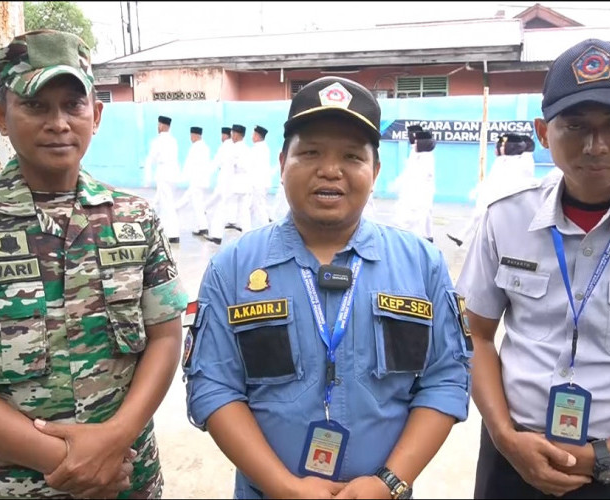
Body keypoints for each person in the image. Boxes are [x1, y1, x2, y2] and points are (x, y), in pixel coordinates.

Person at [184, 76, 472, 499]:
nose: (330, 170)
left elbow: (446, 379)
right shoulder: (232, 267)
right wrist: (283, 487)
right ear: (282, 162)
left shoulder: (421, 265)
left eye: (352, 156)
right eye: (311, 152)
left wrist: (388, 483)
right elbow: (212, 386)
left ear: (374, 171)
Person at [0, 29, 188, 499]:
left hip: (126, 478)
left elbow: (165, 336)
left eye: (73, 105)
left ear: (95, 115)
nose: (58, 122)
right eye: (36, 105)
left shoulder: (134, 218)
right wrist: (70, 462)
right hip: (11, 485)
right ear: (0, 115)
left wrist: (114, 440)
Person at [456, 38, 610, 498]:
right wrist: (504, 435)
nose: (596, 145)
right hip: (514, 457)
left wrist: (608, 454)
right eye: (575, 125)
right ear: (544, 132)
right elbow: (476, 334)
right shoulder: (505, 218)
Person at [446, 132, 534, 248]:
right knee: (477, 218)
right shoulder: (502, 161)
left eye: (503, 145)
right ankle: (462, 238)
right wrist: (478, 190)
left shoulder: (520, 162)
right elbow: (491, 179)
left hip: (498, 200)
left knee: (485, 222)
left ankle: (470, 240)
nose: (500, 147)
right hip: (489, 196)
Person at [206, 124, 252, 245]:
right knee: (244, 211)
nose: (231, 135)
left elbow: (230, 167)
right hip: (244, 185)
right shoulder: (247, 149)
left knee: (222, 208)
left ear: (237, 135)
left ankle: (216, 235)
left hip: (233, 184)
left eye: (233, 133)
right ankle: (247, 236)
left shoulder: (234, 149)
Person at [390, 125, 436, 242]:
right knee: (421, 220)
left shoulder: (424, 157)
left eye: (416, 141)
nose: (414, 143)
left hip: (419, 194)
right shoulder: (417, 154)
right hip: (416, 193)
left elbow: (416, 177)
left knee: (417, 219)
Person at [144, 114, 181, 243]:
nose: (158, 127)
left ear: (161, 126)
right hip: (173, 174)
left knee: (167, 204)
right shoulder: (173, 140)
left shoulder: (158, 141)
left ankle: (173, 234)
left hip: (163, 173)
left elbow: (151, 159)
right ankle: (158, 229)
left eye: (158, 125)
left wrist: (147, 179)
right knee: (160, 202)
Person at [177, 126, 212, 238]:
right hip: (201, 181)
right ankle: (203, 227)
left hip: (197, 181)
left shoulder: (196, 148)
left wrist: (181, 177)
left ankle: (203, 228)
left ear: (196, 135)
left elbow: (189, 164)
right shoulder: (205, 147)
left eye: (191, 135)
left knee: (196, 204)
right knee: (194, 202)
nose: (191, 138)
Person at [249, 125, 272, 229]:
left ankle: (267, 228)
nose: (252, 137)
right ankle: (247, 228)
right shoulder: (262, 147)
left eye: (253, 134)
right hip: (260, 182)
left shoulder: (258, 149)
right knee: (252, 207)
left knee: (260, 207)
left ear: (258, 136)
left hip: (258, 183)